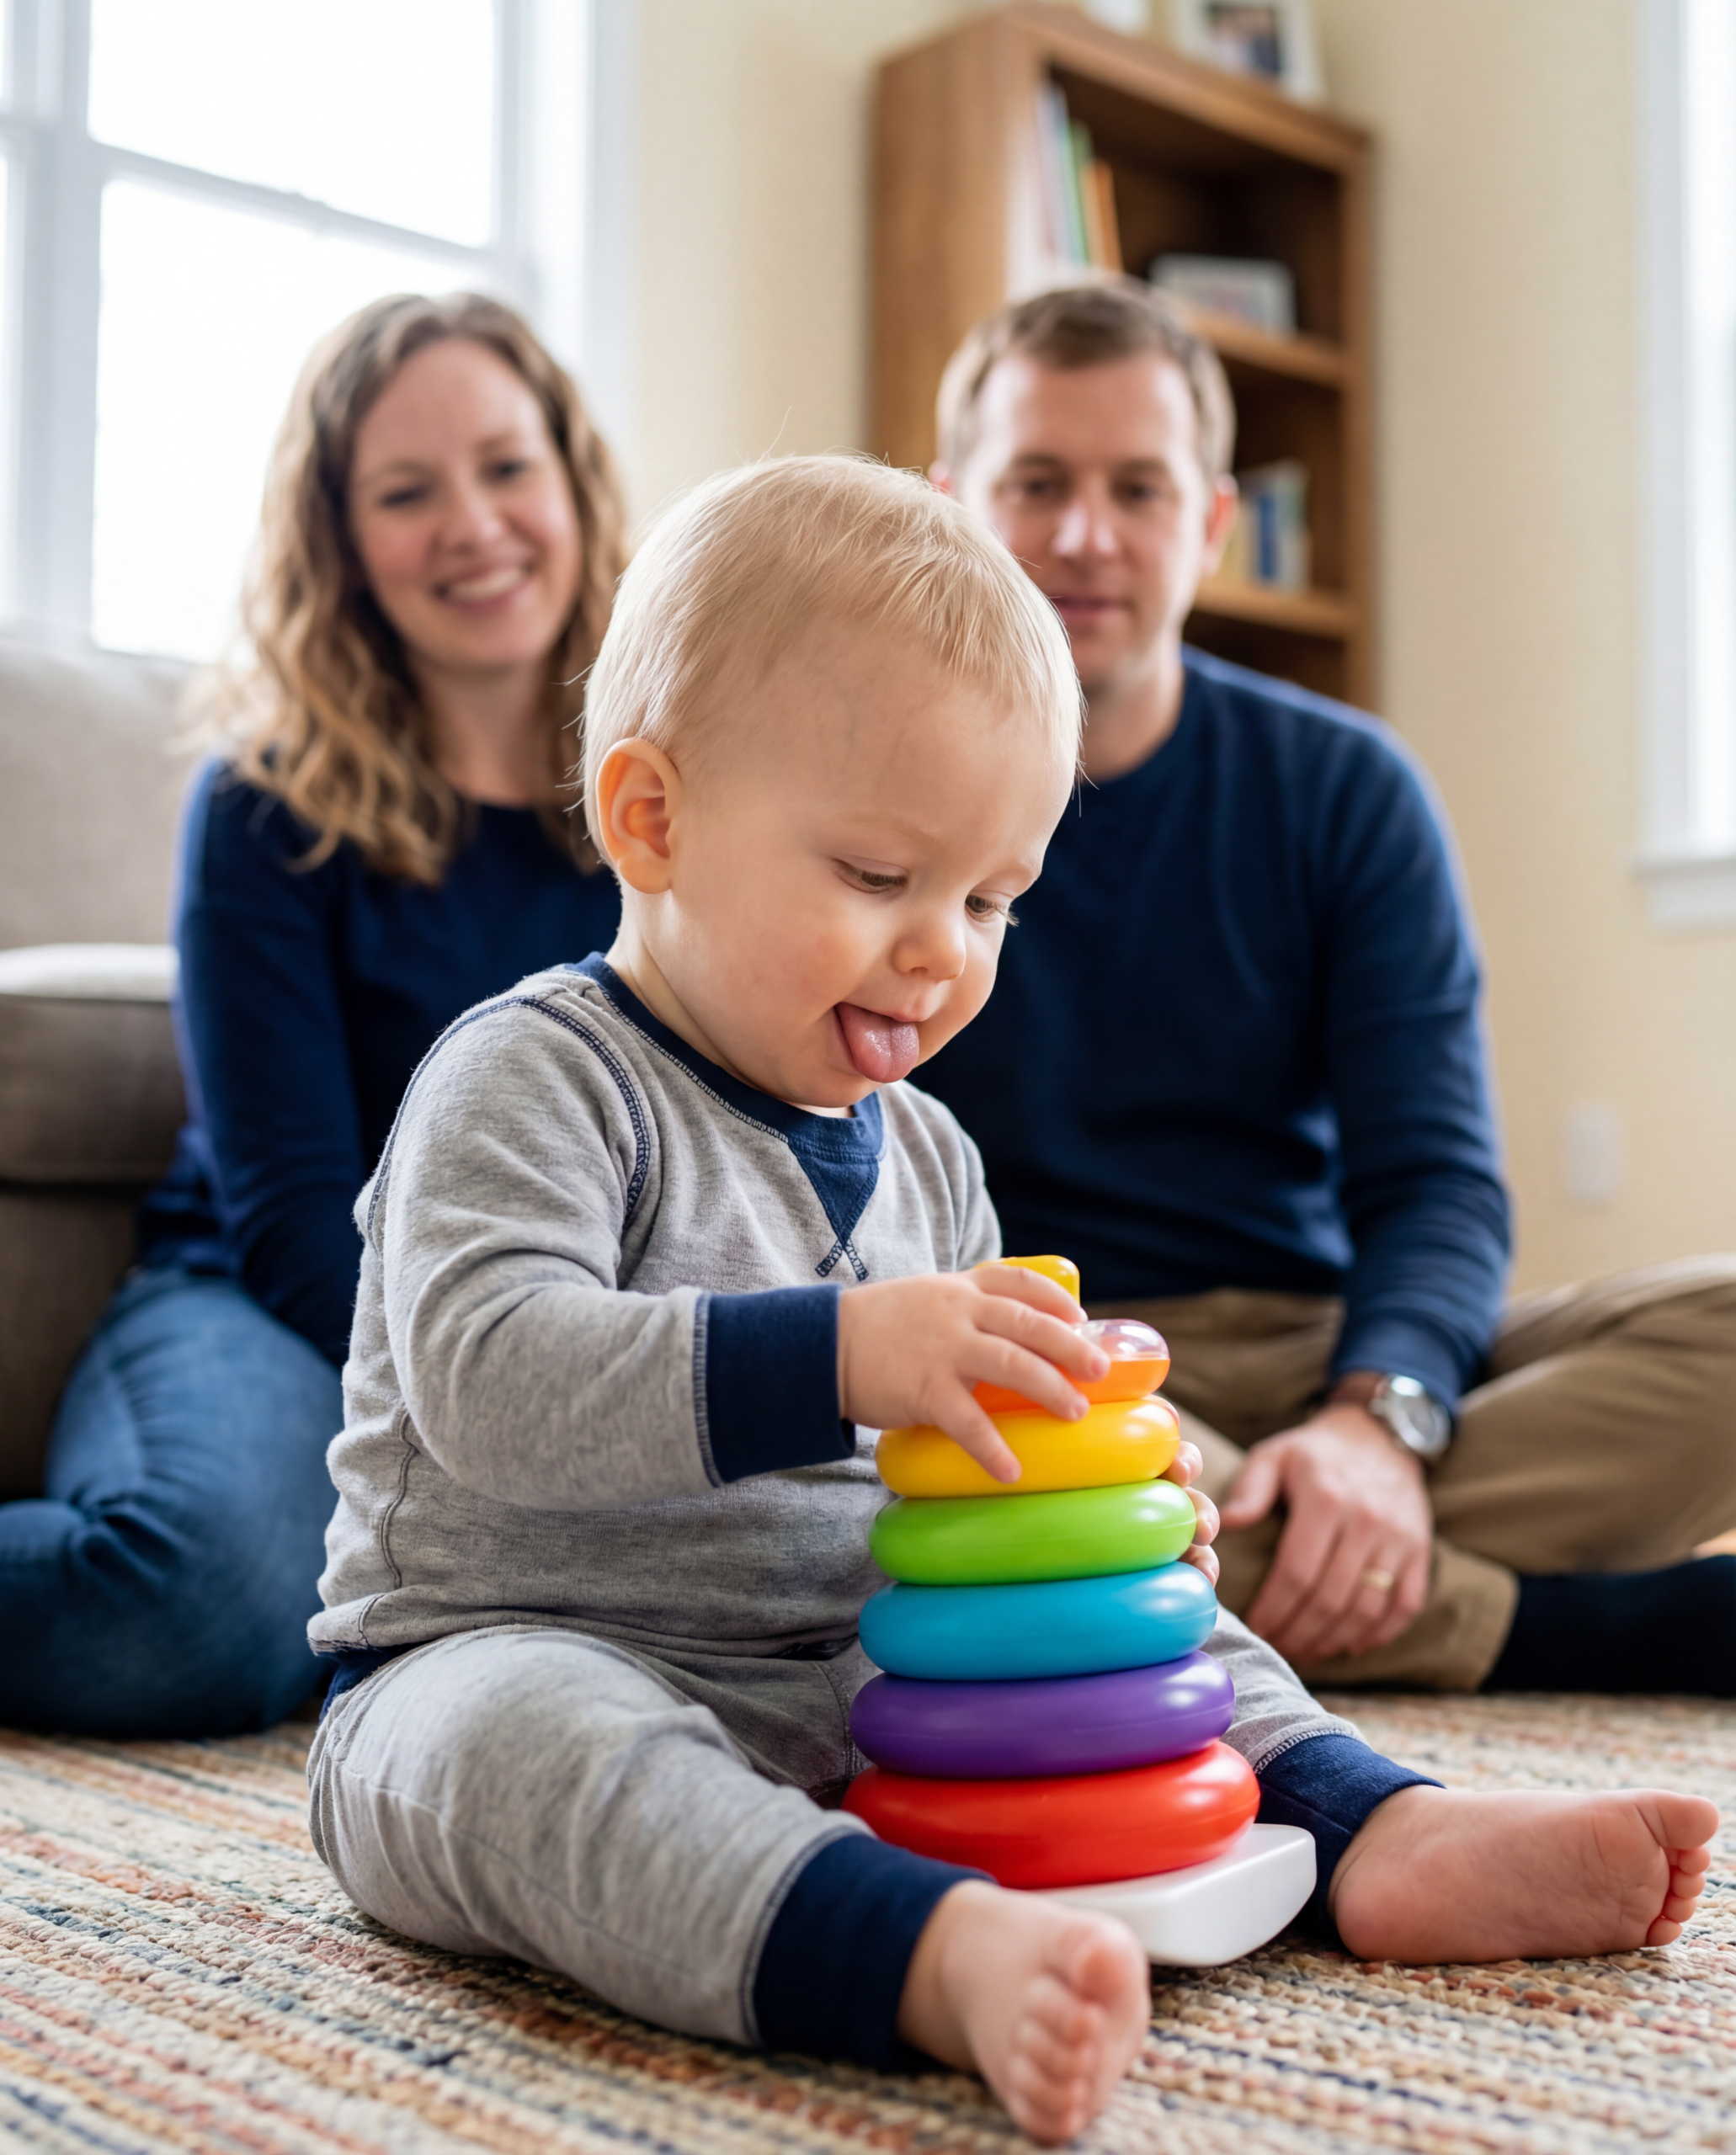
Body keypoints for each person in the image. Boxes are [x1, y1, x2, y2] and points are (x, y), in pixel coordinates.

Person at [305, 456, 1716, 2147]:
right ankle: (915, 1949)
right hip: (506, 1647)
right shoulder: (532, 1077)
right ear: (648, 816)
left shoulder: (928, 1152)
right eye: (881, 876)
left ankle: (1374, 1824)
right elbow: (489, 1380)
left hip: (857, 1667)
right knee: (524, 1749)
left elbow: (977, 1453)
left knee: (1186, 1636)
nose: (941, 955)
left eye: (989, 902)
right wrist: (843, 1355)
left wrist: (1103, 1512)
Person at [922, 279, 1736, 1695]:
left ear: (1213, 521)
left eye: (1139, 487)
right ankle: (1566, 1631)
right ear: (951, 504)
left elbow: (1435, 1185)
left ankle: (1231, 1567)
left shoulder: (1341, 785)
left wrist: (1379, 1419)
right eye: (1037, 482)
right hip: (1043, 1363)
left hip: (1310, 1349)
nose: (1085, 536)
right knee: (908, 1458)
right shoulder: (874, 792)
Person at [2, 293, 627, 1738]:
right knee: (203, 1606)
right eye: (407, 494)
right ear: (344, 544)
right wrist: (534, 1394)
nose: (472, 524)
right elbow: (291, 1222)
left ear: (573, 480)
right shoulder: (264, 804)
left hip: (590, 1334)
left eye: (504, 467)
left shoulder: (676, 795)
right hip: (277, 1306)